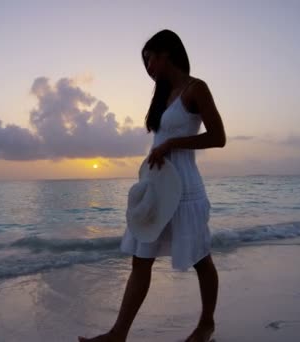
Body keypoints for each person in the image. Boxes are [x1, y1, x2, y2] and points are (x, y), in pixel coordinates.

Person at [78, 29, 227, 342]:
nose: (148, 69)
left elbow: (218, 137)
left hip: (185, 189)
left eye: (150, 60)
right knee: (140, 259)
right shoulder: (163, 96)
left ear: (166, 53)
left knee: (201, 258)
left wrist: (172, 143)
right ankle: (118, 334)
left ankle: (206, 324)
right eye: (144, 64)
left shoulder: (195, 89)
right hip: (158, 187)